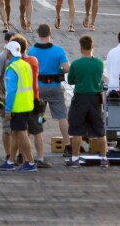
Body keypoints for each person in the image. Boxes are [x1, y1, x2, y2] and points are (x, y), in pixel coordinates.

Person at [27, 23, 71, 156]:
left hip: (38, 88)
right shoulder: (58, 50)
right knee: (61, 117)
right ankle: (68, 146)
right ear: (50, 33)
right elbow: (67, 68)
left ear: (38, 34)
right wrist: (59, 71)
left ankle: (25, 146)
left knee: (34, 117)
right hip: (54, 87)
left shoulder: (32, 51)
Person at [65, 35, 109, 168]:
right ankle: (104, 158)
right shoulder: (99, 63)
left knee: (77, 129)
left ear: (81, 47)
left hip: (80, 98)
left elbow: (71, 80)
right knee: (100, 129)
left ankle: (75, 158)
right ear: (92, 46)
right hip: (95, 98)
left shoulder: (76, 64)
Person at [10, 34, 52, 168]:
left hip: (21, 102)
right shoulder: (33, 60)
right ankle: (40, 158)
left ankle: (24, 158)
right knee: (38, 131)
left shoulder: (17, 64)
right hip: (35, 99)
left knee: (23, 132)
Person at [0, 42, 37, 172]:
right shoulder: (25, 65)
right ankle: (10, 161)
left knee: (21, 133)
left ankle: (30, 162)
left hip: (17, 106)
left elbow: (11, 91)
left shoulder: (12, 68)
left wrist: (7, 109)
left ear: (9, 52)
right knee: (15, 133)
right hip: (27, 104)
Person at [0, 30, 17, 159]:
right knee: (7, 129)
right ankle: (8, 154)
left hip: (20, 97)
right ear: (6, 42)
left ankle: (19, 155)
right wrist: (1, 94)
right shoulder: (2, 57)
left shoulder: (20, 56)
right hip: (7, 97)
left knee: (19, 129)